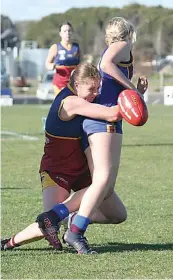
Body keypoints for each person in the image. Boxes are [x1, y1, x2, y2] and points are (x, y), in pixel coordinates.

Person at [35, 17, 148, 254]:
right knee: (103, 180)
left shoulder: (115, 48)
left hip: (101, 121)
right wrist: (132, 89)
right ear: (128, 33)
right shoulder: (123, 45)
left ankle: (64, 219)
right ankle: (73, 229)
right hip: (105, 121)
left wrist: (134, 91)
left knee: (106, 191)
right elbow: (106, 65)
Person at [1, 62, 122, 251]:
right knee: (49, 222)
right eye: (91, 88)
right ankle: (8, 242)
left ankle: (74, 218)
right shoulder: (70, 102)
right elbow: (112, 113)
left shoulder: (83, 99)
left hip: (81, 172)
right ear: (77, 83)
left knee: (118, 215)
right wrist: (134, 96)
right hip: (57, 171)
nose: (96, 93)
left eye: (98, 88)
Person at [46, 21, 80, 95]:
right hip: (60, 83)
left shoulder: (76, 47)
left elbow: (82, 63)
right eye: (64, 31)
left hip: (74, 83)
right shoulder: (55, 47)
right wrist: (52, 66)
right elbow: (47, 63)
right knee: (63, 103)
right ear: (60, 34)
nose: (67, 33)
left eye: (69, 31)